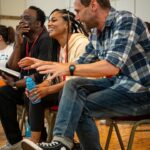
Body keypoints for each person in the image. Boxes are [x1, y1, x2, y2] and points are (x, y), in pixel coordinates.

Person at [22, 0, 150, 150]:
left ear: (93, 5)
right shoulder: (96, 32)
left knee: (78, 105)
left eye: (78, 11)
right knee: (73, 86)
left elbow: (111, 67)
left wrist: (66, 68)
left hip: (142, 92)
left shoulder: (126, 21)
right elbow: (81, 62)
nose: (76, 17)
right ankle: (62, 142)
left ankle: (64, 144)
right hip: (121, 85)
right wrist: (49, 68)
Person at [18, 9, 89, 143]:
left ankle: (63, 141)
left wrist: (48, 90)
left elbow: (76, 80)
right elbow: (53, 74)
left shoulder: (81, 43)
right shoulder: (58, 46)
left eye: (54, 20)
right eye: (49, 20)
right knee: (35, 94)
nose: (49, 24)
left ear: (67, 24)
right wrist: (43, 86)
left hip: (81, 91)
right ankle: (36, 142)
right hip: (64, 90)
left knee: (63, 90)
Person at [0, 6, 56, 150]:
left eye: (27, 18)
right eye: (21, 17)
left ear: (38, 24)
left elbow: (41, 74)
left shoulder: (46, 39)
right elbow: (12, 68)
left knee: (30, 91)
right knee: (3, 92)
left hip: (43, 87)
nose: (21, 22)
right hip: (23, 85)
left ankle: (39, 141)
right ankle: (16, 142)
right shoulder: (24, 39)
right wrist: (18, 44)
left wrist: (16, 84)